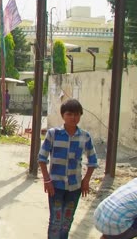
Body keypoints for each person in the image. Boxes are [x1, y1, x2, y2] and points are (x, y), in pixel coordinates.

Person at [38, 98, 98, 239]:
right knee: (55, 221)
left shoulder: (85, 137)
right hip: (55, 186)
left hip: (75, 187)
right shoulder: (53, 134)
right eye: (69, 114)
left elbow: (93, 160)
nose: (73, 117)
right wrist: (47, 180)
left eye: (76, 114)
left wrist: (86, 180)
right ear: (63, 115)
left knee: (67, 221)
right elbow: (41, 158)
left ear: (80, 115)